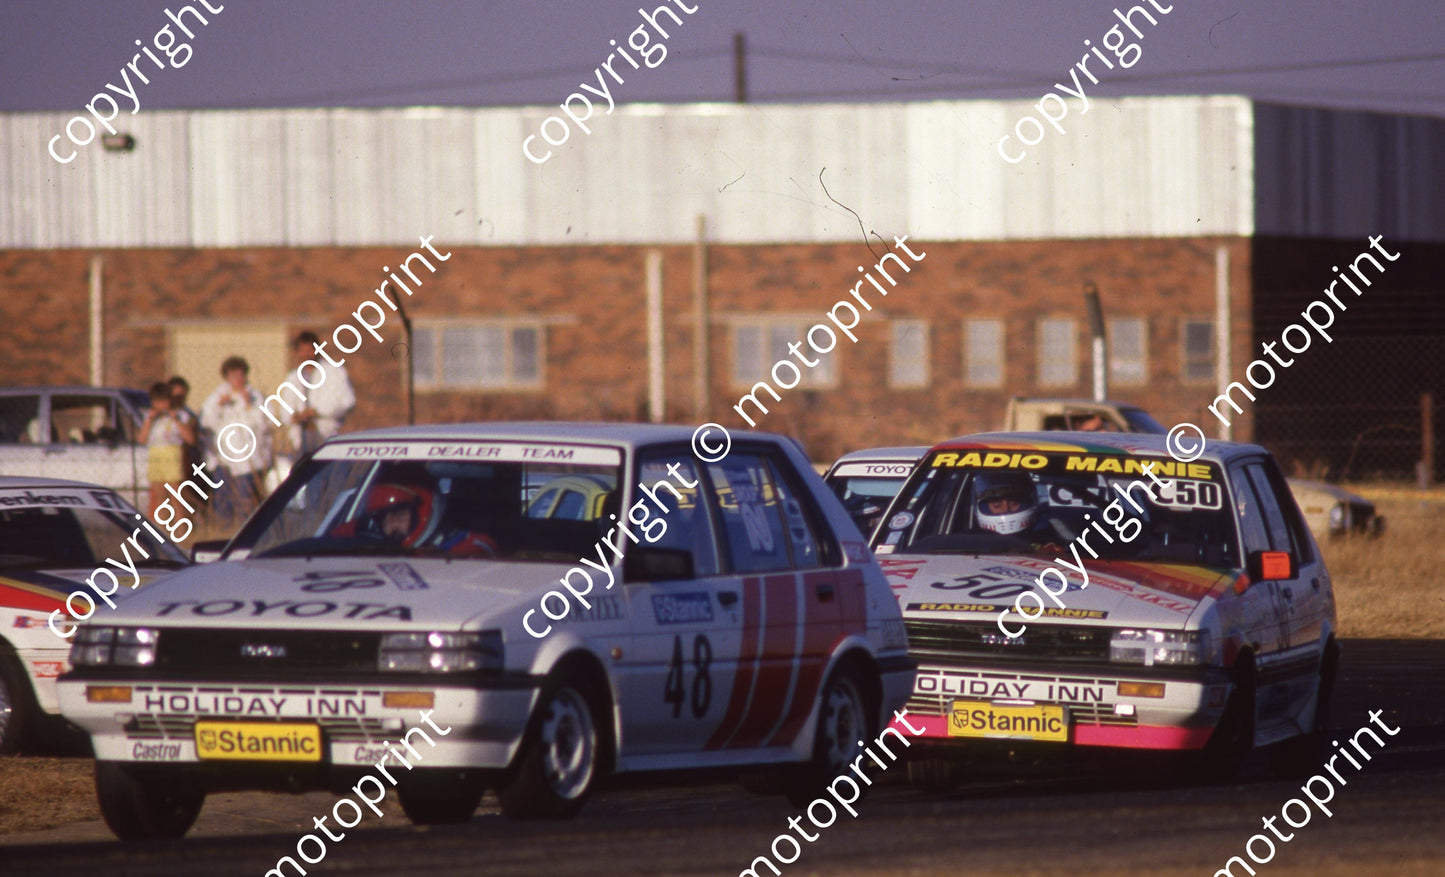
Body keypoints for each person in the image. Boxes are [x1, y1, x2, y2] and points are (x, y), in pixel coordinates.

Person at [200, 356, 273, 525]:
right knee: (223, 500)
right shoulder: (216, 397)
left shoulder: (256, 397)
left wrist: (249, 405)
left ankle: (243, 532)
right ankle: (223, 532)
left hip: (248, 459)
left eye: (241, 375)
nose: (238, 380)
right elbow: (206, 422)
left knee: (245, 500)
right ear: (226, 377)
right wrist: (219, 405)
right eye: (234, 376)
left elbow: (264, 424)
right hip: (223, 458)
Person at [340, 482, 497, 557]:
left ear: (423, 511)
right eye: (383, 518)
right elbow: (327, 542)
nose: (390, 527)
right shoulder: (364, 533)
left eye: (398, 515)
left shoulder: (470, 545)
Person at [281, 330, 356, 459]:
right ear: (297, 352)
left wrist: (318, 411)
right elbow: (285, 411)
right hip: (301, 439)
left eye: (310, 350)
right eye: (302, 350)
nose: (306, 354)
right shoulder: (293, 378)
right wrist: (296, 416)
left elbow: (348, 402)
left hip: (326, 435)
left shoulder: (334, 372)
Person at [137, 381, 197, 517]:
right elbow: (141, 439)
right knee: (159, 499)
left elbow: (190, 439)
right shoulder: (149, 417)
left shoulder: (181, 415)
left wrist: (175, 419)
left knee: (176, 498)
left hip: (172, 455)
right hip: (156, 456)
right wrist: (149, 421)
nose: (161, 405)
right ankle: (161, 532)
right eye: (157, 402)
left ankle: (181, 534)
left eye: (164, 401)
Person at [167, 375, 202, 472]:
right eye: (176, 396)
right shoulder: (161, 414)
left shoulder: (187, 416)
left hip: (183, 462)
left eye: (182, 396)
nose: (179, 400)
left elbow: (191, 439)